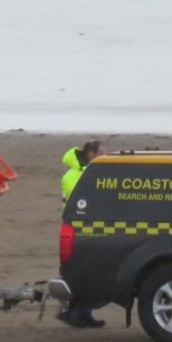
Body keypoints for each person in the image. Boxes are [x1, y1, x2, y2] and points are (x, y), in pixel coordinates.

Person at [57, 139, 106, 328]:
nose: (104, 156)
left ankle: (82, 312)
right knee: (82, 271)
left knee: (91, 271)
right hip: (77, 229)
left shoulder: (89, 172)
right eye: (101, 153)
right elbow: (82, 203)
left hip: (87, 227)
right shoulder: (74, 175)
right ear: (91, 154)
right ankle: (75, 312)